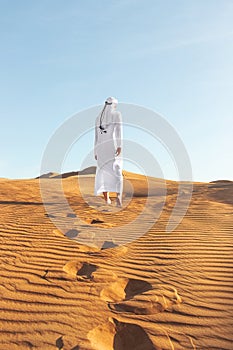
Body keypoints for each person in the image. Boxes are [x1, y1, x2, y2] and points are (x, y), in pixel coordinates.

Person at [94, 97, 123, 207]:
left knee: (103, 172)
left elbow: (96, 136)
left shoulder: (98, 118)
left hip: (101, 149)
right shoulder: (116, 115)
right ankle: (118, 199)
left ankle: (107, 199)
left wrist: (95, 151)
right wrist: (119, 145)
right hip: (112, 147)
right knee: (117, 172)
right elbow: (119, 131)